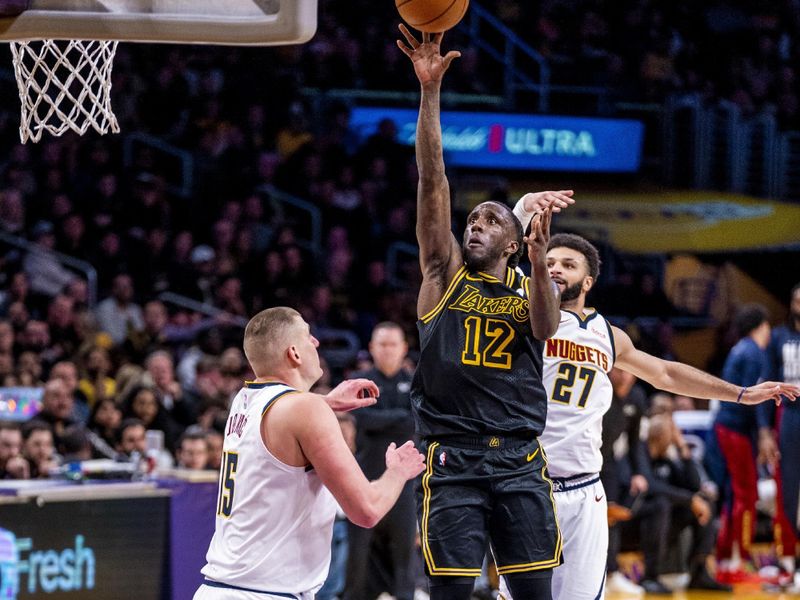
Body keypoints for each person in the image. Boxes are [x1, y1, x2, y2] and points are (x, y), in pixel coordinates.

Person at [498, 231, 799, 599]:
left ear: (588, 281)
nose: (555, 269)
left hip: (585, 488)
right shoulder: (521, 319)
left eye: (568, 264)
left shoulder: (608, 335)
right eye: (549, 264)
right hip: (528, 483)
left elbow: (667, 373)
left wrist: (739, 393)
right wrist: (526, 215)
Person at [398, 27, 565, 599]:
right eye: (474, 218)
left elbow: (546, 329)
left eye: (492, 221)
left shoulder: (532, 286)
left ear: (515, 244)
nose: (475, 223)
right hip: (453, 461)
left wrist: (542, 264)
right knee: (450, 593)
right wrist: (429, 92)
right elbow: (432, 177)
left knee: (535, 593)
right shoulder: (443, 275)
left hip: (520, 458)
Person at [194, 307, 425, 600]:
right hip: (266, 592)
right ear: (294, 353)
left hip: (221, 587)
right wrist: (398, 472)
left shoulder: (244, 400)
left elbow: (285, 419)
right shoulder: (306, 409)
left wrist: (326, 401)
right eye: (308, 336)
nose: (316, 342)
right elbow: (367, 510)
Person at [344, 322, 417, 600]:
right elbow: (362, 418)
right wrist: (400, 418)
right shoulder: (360, 381)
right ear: (372, 348)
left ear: (404, 349)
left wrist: (385, 420)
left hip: (403, 489)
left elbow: (415, 422)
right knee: (357, 563)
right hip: (364, 483)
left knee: (404, 563)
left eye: (392, 344)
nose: (387, 350)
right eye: (381, 344)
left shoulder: (415, 382)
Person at [712, 304, 780, 583]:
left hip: (726, 427)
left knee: (734, 495)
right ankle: (739, 562)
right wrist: (765, 433)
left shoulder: (740, 348)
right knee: (746, 496)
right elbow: (755, 400)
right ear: (761, 326)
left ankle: (726, 561)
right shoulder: (753, 352)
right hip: (737, 430)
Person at [767, 282, 800, 591]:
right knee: (787, 491)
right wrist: (765, 431)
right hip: (789, 417)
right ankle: (788, 560)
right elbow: (768, 380)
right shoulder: (779, 337)